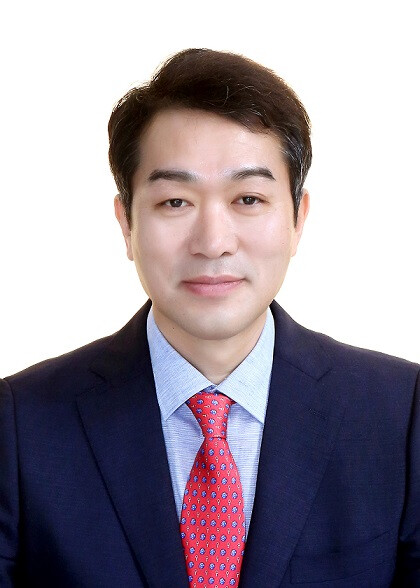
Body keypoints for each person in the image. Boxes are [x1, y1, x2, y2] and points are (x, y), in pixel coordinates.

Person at [0, 48, 418, 588]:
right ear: (126, 223)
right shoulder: (20, 425)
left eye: (248, 198)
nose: (213, 242)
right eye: (175, 202)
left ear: (298, 219)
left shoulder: (400, 414)